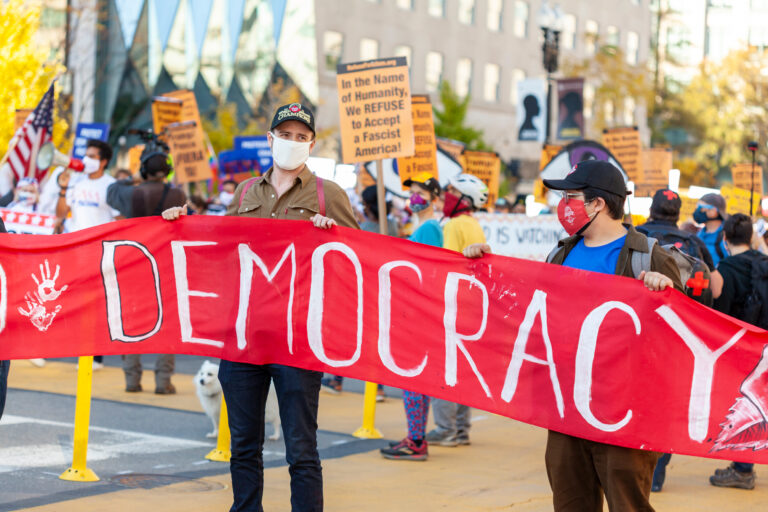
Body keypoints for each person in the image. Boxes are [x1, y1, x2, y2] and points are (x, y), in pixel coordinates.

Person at [162, 103, 358, 512]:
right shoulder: (247, 191)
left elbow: (360, 257)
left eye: (301, 137)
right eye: (285, 135)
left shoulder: (328, 194)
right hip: (245, 337)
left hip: (297, 340)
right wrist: (182, 223)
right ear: (270, 140)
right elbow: (223, 243)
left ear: (311, 144)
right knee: (243, 447)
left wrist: (333, 236)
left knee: (301, 450)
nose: (293, 143)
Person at [465, 160, 683, 511]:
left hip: (623, 414)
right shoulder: (561, 254)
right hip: (567, 409)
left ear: (598, 203)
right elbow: (530, 308)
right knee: (570, 503)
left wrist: (667, 292)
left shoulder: (647, 256)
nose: (562, 205)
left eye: (570, 196)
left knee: (628, 504)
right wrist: (486, 267)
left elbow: (684, 331)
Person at [108, 147, 186, 394]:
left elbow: (110, 192)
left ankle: (132, 380)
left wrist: (133, 177)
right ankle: (163, 381)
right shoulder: (177, 193)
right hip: (167, 264)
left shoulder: (132, 193)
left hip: (135, 262)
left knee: (131, 320)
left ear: (143, 170)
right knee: (169, 323)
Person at [380, 172, 443, 461]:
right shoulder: (422, 225)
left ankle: (417, 440)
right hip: (416, 309)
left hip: (418, 311)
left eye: (420, 192)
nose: (414, 197)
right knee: (413, 379)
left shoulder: (429, 227)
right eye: (412, 192)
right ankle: (415, 435)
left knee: (412, 379)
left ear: (435, 198)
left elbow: (426, 271)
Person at [425, 173, 488, 448]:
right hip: (471, 306)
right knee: (462, 371)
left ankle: (445, 428)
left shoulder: (452, 226)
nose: (446, 195)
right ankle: (461, 429)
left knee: (443, 370)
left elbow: (447, 266)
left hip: (452, 305)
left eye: (452, 190)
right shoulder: (473, 224)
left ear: (464, 198)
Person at [321, 183, 393, 400]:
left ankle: (336, 380)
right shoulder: (391, 225)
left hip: (360, 289)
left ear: (368, 206)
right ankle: (377, 387)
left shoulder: (364, 228)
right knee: (374, 339)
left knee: (345, 334)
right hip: (380, 290)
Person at [707, 213, 763, 490]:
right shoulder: (765, 262)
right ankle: (742, 467)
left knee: (744, 407)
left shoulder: (724, 270)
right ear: (751, 237)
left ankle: (742, 470)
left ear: (725, 238)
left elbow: (721, 314)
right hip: (765, 345)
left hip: (741, 349)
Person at [57, 139, 121, 371]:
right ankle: (82, 349)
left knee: (97, 304)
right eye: (86, 155)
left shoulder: (111, 185)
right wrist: (63, 189)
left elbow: (119, 218)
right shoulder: (76, 181)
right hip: (76, 249)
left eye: (93, 156)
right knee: (78, 302)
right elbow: (62, 212)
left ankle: (96, 356)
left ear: (103, 161)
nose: (87, 160)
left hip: (100, 250)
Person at [638, 188, 714, 270]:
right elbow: (714, 280)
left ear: (651, 210)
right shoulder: (693, 240)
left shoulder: (635, 233)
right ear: (679, 214)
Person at [694, 193, 728, 267]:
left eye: (700, 208)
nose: (697, 211)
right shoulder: (699, 234)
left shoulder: (727, 236)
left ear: (714, 211)